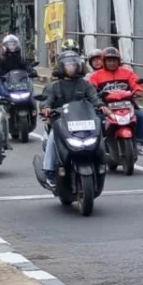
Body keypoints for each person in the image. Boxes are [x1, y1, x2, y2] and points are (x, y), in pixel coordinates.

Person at [39, 52, 108, 188]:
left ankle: (101, 163)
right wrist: (46, 108)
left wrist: (101, 106)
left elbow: (94, 98)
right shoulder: (54, 86)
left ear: (79, 66)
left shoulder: (85, 84)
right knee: (53, 138)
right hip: (61, 122)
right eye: (68, 65)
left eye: (73, 64)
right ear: (61, 67)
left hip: (83, 121)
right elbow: (47, 100)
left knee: (99, 132)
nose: (71, 67)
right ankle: (49, 171)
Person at [89, 47, 143, 156]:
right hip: (106, 108)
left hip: (127, 105)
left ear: (119, 61)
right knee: (96, 121)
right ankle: (97, 145)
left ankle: (139, 143)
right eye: (109, 60)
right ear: (104, 61)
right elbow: (90, 88)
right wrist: (96, 97)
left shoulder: (127, 73)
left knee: (142, 116)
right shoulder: (96, 76)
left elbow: (136, 82)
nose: (112, 63)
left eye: (114, 60)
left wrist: (138, 90)